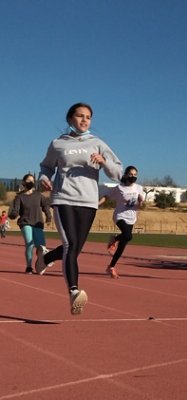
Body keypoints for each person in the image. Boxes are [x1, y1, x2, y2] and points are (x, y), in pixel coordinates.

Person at [37, 102, 122, 314]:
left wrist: (104, 161)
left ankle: (46, 258)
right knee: (71, 244)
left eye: (88, 117)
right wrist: (44, 178)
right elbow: (46, 167)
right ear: (70, 119)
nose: (84, 120)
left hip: (88, 201)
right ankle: (74, 292)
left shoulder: (98, 143)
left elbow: (118, 173)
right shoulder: (58, 144)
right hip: (63, 198)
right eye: (80, 115)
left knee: (74, 250)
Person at [99, 166, 144, 278]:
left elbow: (140, 204)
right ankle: (114, 239)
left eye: (135, 175)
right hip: (120, 216)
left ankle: (111, 267)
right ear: (126, 175)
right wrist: (97, 204)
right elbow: (106, 196)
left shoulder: (139, 188)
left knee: (122, 246)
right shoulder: (119, 188)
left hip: (131, 218)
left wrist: (140, 202)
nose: (133, 176)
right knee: (128, 236)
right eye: (131, 174)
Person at [8, 174, 52, 274]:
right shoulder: (20, 197)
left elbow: (45, 206)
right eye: (28, 180)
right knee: (30, 243)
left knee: (42, 247)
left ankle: (41, 262)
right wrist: (12, 214)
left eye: (32, 181)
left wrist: (48, 216)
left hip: (37, 223)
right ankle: (29, 267)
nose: (30, 182)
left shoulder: (38, 195)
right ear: (23, 182)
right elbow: (15, 211)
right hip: (25, 222)